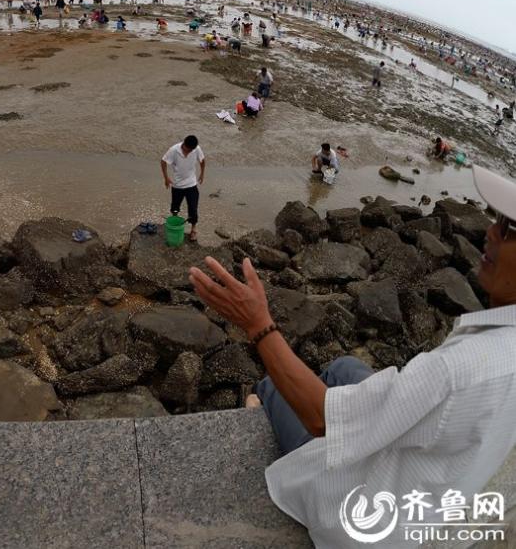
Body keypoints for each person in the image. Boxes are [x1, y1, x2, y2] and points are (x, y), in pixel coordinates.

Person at [188, 165, 516, 546]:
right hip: (434, 492)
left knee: (274, 388)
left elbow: (320, 419)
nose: (491, 232)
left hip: (363, 514)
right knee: (345, 367)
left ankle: (260, 401)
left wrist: (258, 324)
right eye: (498, 221)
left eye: (509, 229)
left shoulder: (458, 370)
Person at [160, 135, 206, 242]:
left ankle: (193, 229)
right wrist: (166, 178)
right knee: (175, 207)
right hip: (177, 185)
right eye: (187, 149)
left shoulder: (196, 149)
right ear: (183, 144)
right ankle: (175, 221)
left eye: (191, 150)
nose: (189, 152)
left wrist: (202, 174)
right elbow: (163, 161)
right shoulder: (174, 150)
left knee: (193, 208)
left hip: (191, 184)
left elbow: (203, 161)